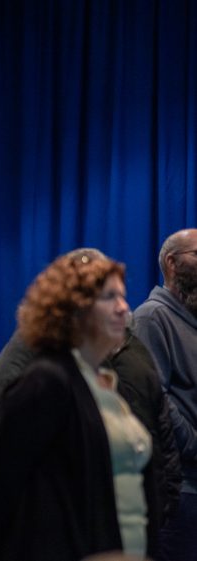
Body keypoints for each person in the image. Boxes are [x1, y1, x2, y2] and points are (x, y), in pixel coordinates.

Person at [0, 248, 182, 556]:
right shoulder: (46, 381)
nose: (123, 308)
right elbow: (0, 490)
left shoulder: (104, 382)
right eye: (109, 297)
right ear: (73, 308)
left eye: (122, 296)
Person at [132, 228, 197, 561]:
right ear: (172, 264)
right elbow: (155, 397)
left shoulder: (190, 320)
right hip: (180, 491)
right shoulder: (151, 317)